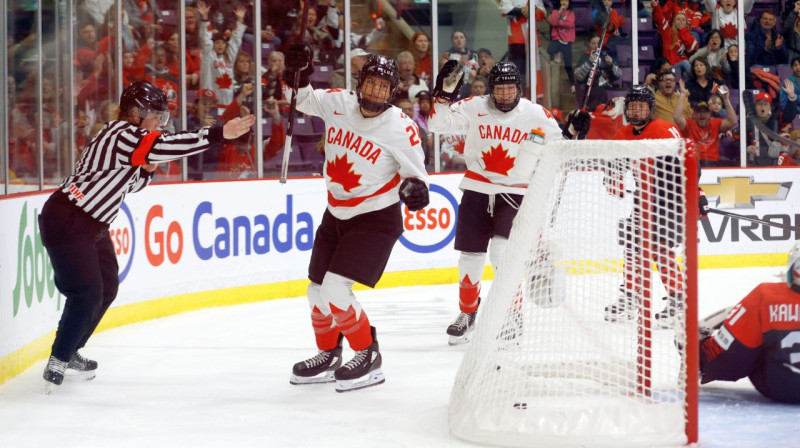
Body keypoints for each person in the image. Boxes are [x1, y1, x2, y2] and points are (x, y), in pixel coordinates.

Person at [39, 81, 255, 391]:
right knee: (86, 292)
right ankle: (58, 360)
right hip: (68, 217)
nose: (160, 124)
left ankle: (71, 350)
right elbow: (164, 146)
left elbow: (133, 184)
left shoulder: (132, 141)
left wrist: (148, 168)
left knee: (107, 287)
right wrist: (218, 133)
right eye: (156, 116)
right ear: (135, 112)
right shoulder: (122, 134)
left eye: (163, 118)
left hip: (91, 223)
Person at [285, 47, 429, 392]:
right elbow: (301, 99)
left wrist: (415, 192)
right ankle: (328, 353)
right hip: (336, 213)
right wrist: (299, 70)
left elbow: (417, 178)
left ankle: (367, 354)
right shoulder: (338, 102)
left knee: (335, 289)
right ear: (360, 82)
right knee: (316, 292)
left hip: (375, 218)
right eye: (371, 83)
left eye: (384, 86)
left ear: (392, 92)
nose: (376, 90)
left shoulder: (400, 127)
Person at [428, 60, 590, 345]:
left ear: (519, 89)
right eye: (499, 88)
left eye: (510, 88)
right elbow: (436, 124)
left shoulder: (535, 114)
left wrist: (576, 131)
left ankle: (512, 315)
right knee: (470, 259)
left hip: (514, 193)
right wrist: (443, 97)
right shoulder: (475, 106)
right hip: (477, 189)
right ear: (491, 89)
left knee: (503, 254)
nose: (504, 94)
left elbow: (562, 149)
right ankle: (468, 313)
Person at [604, 85, 708, 324]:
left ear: (650, 109)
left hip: (670, 198)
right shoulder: (623, 134)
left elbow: (688, 162)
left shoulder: (665, 129)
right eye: (632, 106)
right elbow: (617, 167)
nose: (636, 110)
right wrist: (613, 178)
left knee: (660, 249)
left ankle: (678, 301)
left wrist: (697, 192)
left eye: (641, 105)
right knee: (632, 247)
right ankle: (631, 298)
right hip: (643, 198)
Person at [699, 241, 800, 404]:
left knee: (754, 341)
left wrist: (699, 353)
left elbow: (732, 360)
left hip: (783, 388)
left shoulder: (767, 296)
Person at [674, 79, 737, 166]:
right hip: (694, 161)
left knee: (734, 164)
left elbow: (733, 121)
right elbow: (677, 117)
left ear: (709, 114)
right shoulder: (689, 124)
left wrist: (726, 99)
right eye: (699, 112)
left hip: (712, 162)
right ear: (694, 114)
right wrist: (682, 95)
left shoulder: (715, 123)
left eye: (705, 112)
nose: (702, 114)